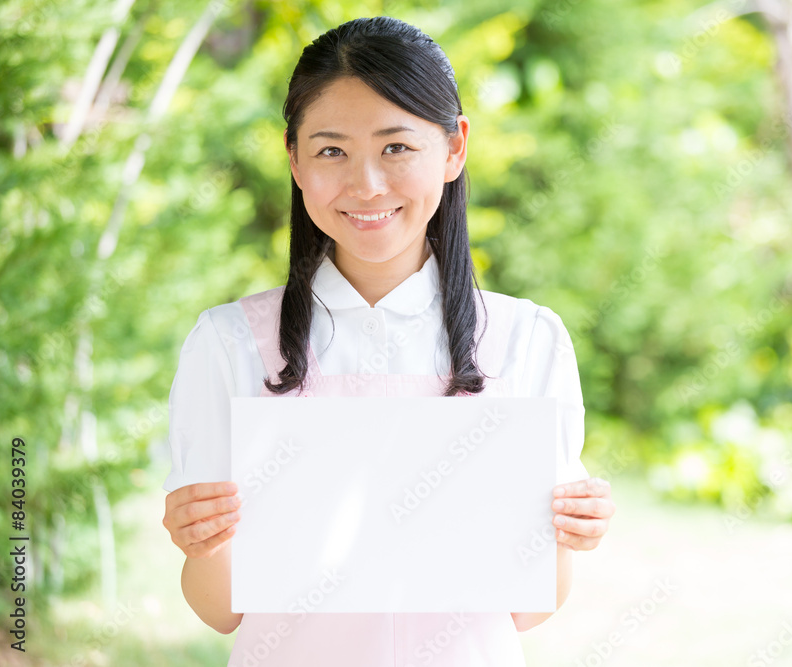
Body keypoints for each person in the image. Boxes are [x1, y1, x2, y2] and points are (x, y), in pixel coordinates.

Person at [160, 15, 615, 666]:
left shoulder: (526, 340)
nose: (366, 184)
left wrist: (567, 536)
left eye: (396, 147)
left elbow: (528, 608)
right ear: (293, 156)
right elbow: (221, 609)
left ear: (455, 147)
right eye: (331, 150)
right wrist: (201, 542)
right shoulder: (229, 343)